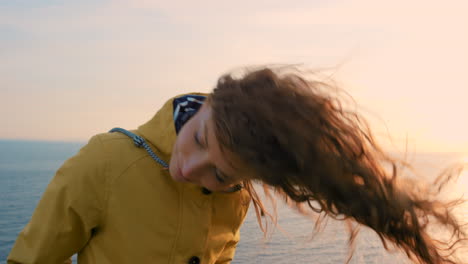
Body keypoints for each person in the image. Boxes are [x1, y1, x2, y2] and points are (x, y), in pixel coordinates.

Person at [7, 66, 467, 264]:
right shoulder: (104, 162)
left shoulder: (236, 196)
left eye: (221, 174)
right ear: (206, 104)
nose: (192, 169)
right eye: (200, 139)